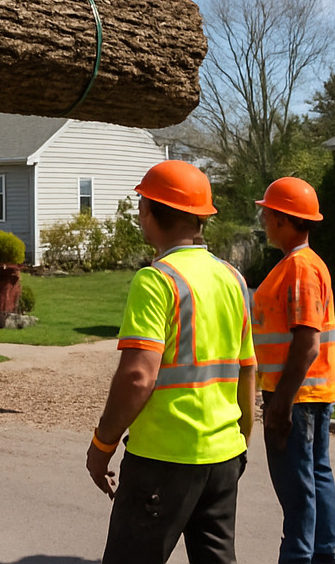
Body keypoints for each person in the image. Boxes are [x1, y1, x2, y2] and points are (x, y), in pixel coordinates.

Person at [87, 160, 256, 564]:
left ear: (148, 212)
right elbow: (247, 368)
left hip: (163, 459)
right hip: (223, 455)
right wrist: (241, 442)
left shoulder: (156, 280)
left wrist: (101, 445)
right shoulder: (233, 277)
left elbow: (137, 377)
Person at [252, 177, 335, 564]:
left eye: (267, 213)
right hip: (306, 394)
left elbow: (307, 343)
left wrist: (281, 404)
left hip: (297, 396)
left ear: (283, 219)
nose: (263, 219)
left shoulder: (301, 268)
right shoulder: (299, 264)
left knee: (298, 487)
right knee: (315, 479)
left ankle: (299, 557)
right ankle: (323, 555)